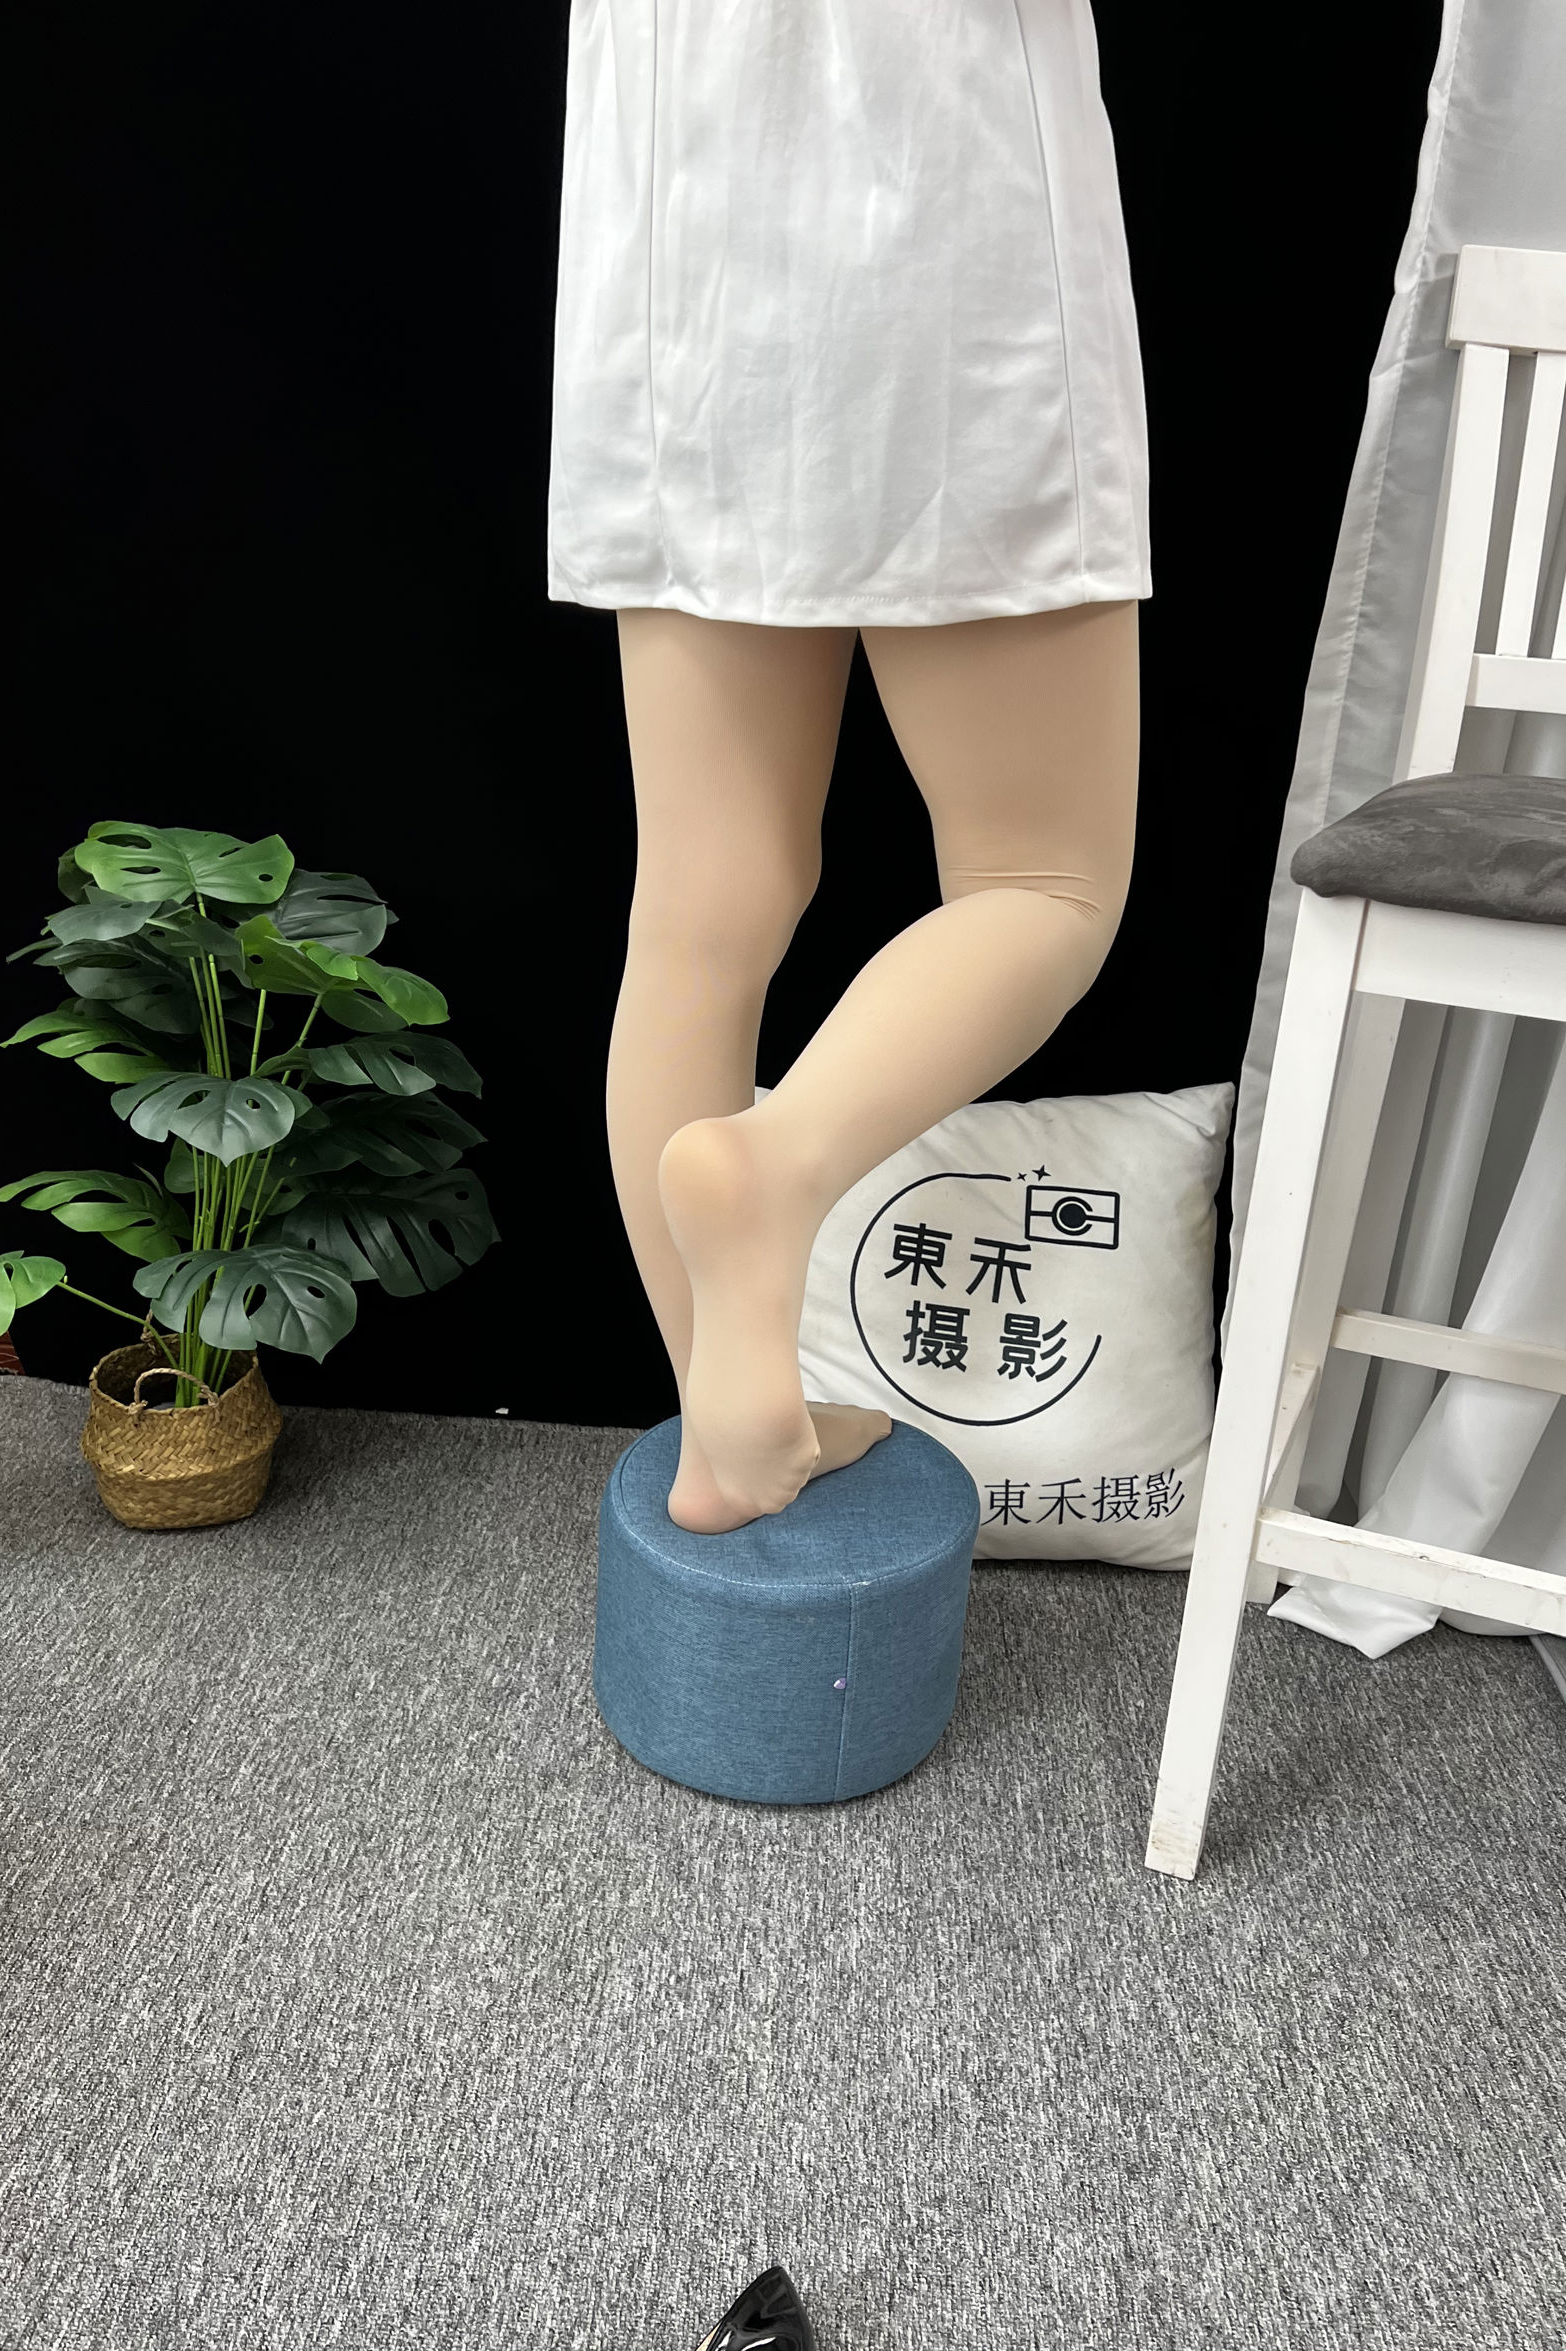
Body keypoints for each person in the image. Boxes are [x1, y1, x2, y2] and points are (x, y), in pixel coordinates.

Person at [550, 0, 1148, 1534]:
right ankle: (781, 1168)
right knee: (1045, 881)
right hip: (956, 255)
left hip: (682, 269)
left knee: (703, 906)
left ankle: (726, 1420)